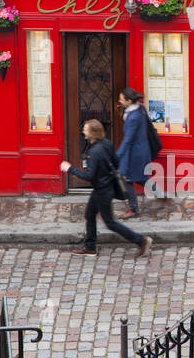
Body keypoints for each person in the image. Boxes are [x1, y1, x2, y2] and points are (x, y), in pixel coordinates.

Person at [60, 119, 152, 257]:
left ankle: (141, 240)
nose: (83, 131)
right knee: (89, 214)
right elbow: (116, 162)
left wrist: (70, 169)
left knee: (110, 223)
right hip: (105, 187)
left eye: (85, 129)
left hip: (102, 191)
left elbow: (89, 176)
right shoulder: (107, 144)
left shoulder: (93, 153)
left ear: (92, 133)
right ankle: (90, 247)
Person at [116, 87, 153, 217]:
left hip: (135, 152)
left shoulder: (133, 118)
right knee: (141, 178)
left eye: (121, 99)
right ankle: (162, 195)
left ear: (129, 101)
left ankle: (134, 209)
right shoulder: (140, 107)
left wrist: (117, 156)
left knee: (127, 178)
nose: (119, 101)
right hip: (142, 149)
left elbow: (128, 139)